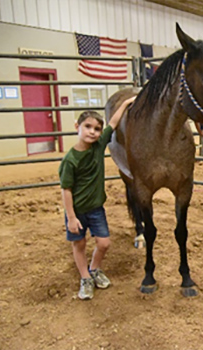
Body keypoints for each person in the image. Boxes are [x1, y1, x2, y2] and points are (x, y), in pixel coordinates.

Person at [59, 96, 135, 300]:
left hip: (96, 209)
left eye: (96, 129)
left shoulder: (100, 145)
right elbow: (66, 189)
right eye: (88, 127)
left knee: (104, 243)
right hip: (76, 211)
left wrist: (126, 104)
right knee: (80, 244)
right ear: (77, 126)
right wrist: (71, 217)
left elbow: (112, 123)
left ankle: (94, 269)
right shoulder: (70, 160)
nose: (92, 131)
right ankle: (85, 278)